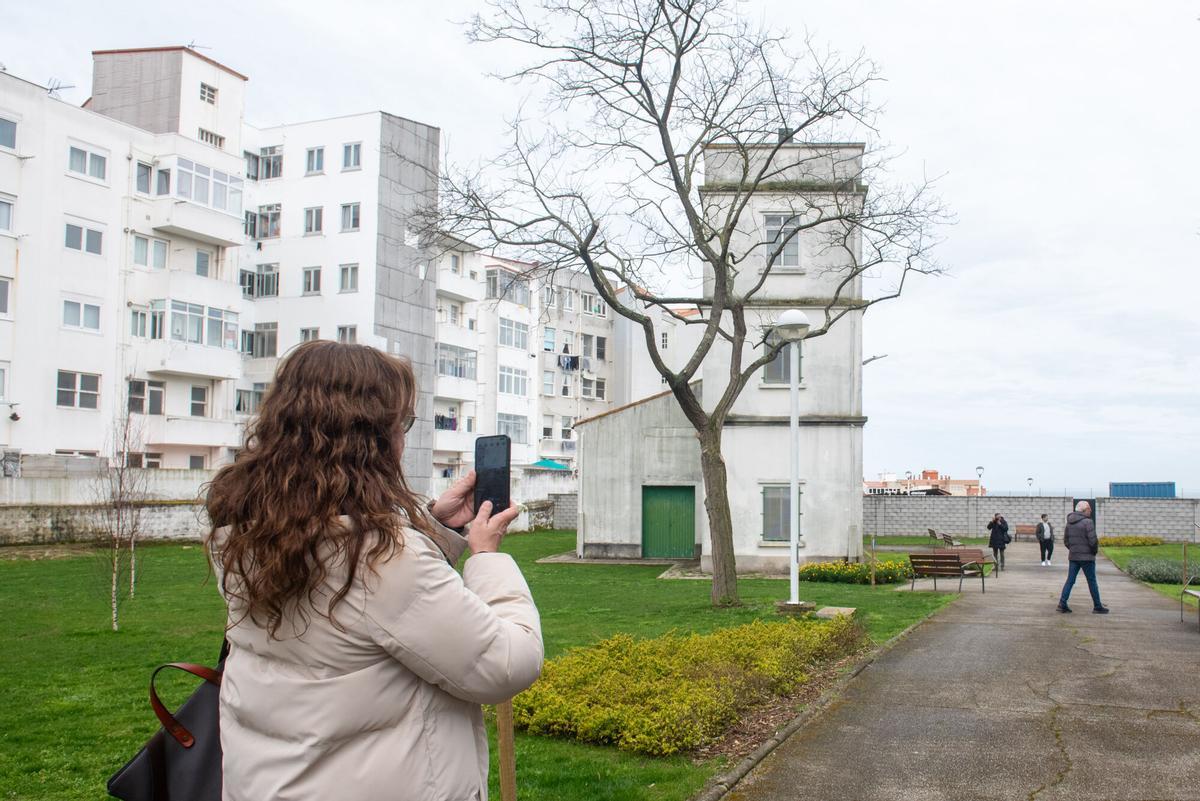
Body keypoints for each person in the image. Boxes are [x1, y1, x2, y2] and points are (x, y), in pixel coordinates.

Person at [204, 341, 543, 801]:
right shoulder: (379, 559)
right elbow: (505, 664)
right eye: (400, 423)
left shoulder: (251, 536)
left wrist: (438, 528)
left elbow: (372, 615)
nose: (403, 439)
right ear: (370, 438)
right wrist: (486, 557)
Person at [1057, 500, 1109, 614]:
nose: (1090, 510)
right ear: (1084, 510)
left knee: (1070, 580)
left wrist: (1073, 549)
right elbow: (1093, 541)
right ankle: (1097, 606)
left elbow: (1066, 540)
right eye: (1089, 509)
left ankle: (1062, 603)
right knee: (1092, 581)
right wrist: (1093, 552)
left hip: (1074, 556)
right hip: (1087, 558)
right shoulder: (1088, 522)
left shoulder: (1069, 522)